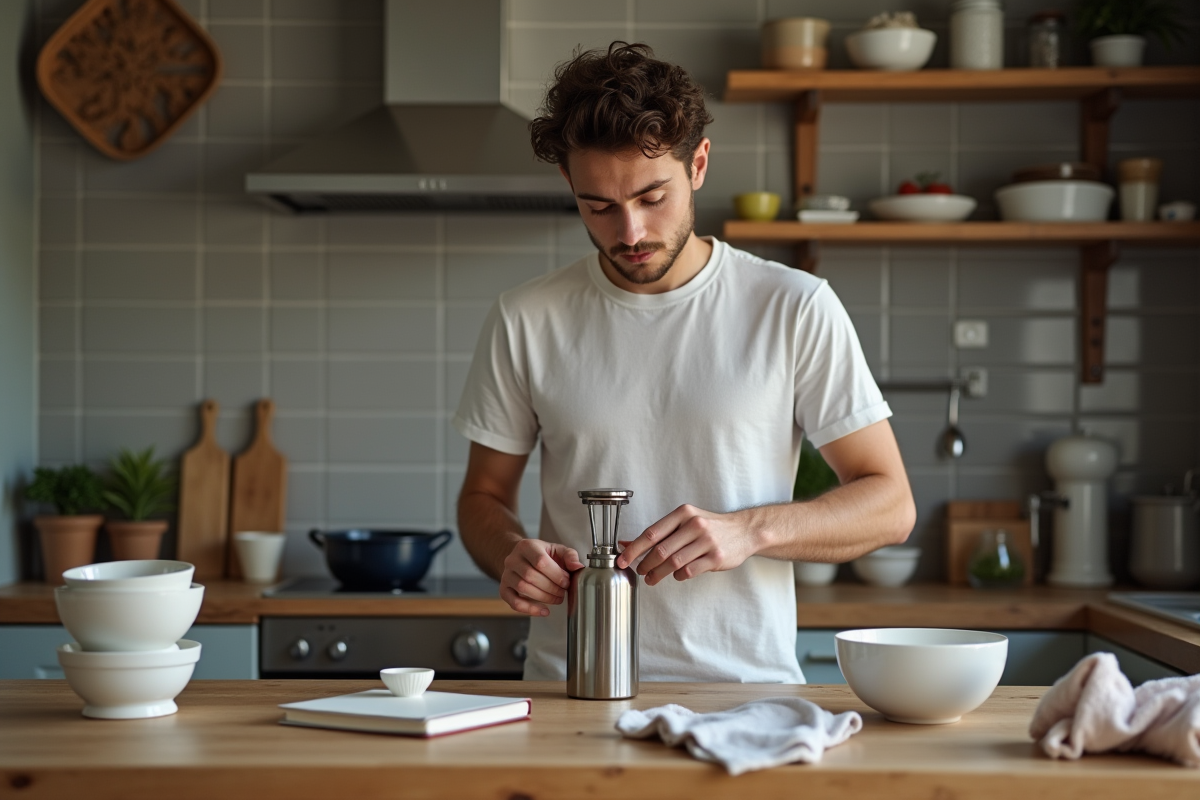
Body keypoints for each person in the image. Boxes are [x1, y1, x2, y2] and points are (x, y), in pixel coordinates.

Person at [453, 42, 915, 683]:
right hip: (573, 690)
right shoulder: (526, 317)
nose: (631, 232)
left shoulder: (793, 306)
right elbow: (482, 496)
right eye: (599, 206)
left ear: (697, 164)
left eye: (651, 196)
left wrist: (752, 531)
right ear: (570, 185)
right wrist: (509, 552)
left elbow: (891, 505)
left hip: (745, 694)